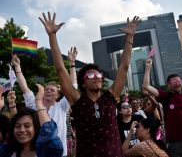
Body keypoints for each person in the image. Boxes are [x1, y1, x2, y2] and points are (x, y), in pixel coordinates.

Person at [39, 11, 140, 157]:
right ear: (84, 83)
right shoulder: (77, 100)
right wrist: (52, 36)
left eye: (99, 75)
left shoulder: (111, 97)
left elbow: (124, 67)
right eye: (91, 75)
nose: (97, 77)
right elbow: (61, 70)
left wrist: (130, 37)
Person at [11, 48, 78, 157]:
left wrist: (72, 64)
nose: (48, 91)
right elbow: (24, 88)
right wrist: (17, 67)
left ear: (57, 95)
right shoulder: (34, 104)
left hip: (59, 153)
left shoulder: (62, 106)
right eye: (46, 89)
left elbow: (73, 87)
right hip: (37, 153)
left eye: (52, 90)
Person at [0, 84, 63, 157]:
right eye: (17, 126)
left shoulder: (47, 152)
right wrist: (10, 104)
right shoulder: (7, 152)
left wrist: (39, 102)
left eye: (27, 126)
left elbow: (49, 133)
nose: (22, 130)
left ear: (36, 128)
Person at [143, 59, 182, 157]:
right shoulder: (166, 96)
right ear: (169, 84)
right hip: (175, 143)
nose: (177, 83)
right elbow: (146, 86)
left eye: (179, 81)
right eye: (174, 81)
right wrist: (148, 68)